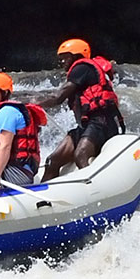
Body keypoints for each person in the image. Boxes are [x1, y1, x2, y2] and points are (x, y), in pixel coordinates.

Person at [41, 37, 125, 179]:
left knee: (80, 155)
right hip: (87, 126)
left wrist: (33, 103)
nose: (62, 62)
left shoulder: (82, 68)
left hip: (102, 123)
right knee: (52, 161)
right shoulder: (80, 71)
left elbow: (57, 98)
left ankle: (95, 190)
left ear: (76, 56)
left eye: (65, 58)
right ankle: (44, 193)